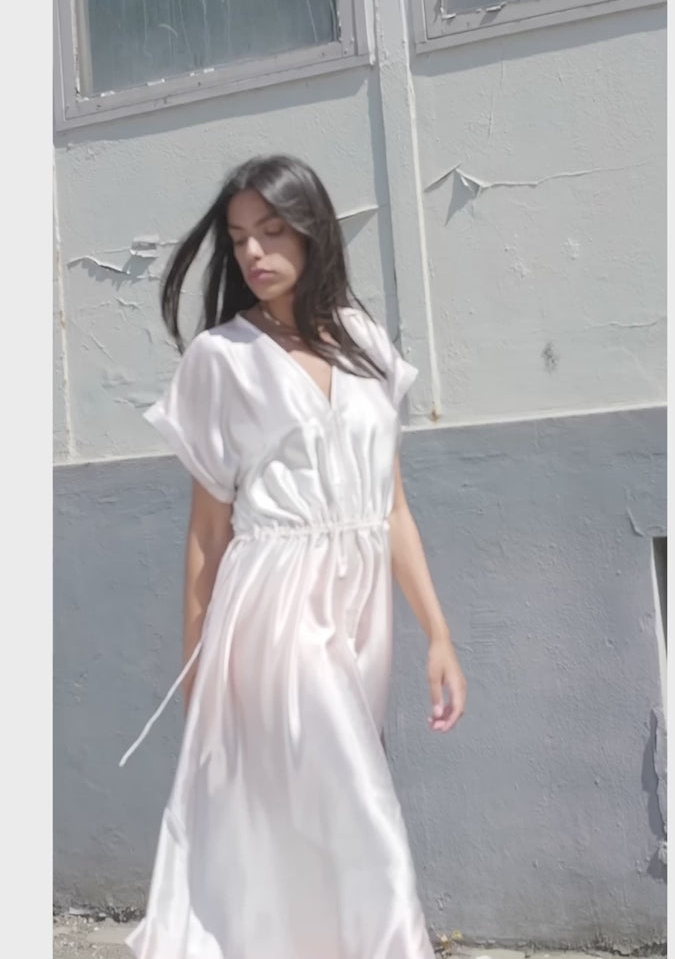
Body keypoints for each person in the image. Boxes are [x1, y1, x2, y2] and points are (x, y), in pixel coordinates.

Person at [119, 154, 466, 958]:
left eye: (272, 231)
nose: (252, 252)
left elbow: (391, 509)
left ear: (312, 233)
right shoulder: (223, 358)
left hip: (362, 614)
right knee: (361, 809)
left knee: (313, 825)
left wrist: (439, 636)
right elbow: (208, 534)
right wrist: (198, 674)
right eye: (239, 237)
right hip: (273, 612)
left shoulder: (365, 343)